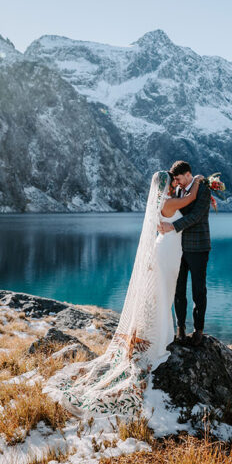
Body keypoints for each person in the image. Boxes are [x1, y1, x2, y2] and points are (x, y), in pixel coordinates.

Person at [42, 169, 203, 418]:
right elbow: (191, 199)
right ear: (165, 186)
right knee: (163, 294)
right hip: (168, 251)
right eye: (171, 183)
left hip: (168, 249)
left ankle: (159, 332)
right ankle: (159, 337)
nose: (173, 185)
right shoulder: (170, 202)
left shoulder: (161, 202)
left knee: (162, 294)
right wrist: (200, 181)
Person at [158, 160, 212, 346]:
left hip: (198, 248)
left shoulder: (203, 189)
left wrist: (172, 226)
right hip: (178, 249)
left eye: (179, 178)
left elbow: (196, 217)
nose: (177, 182)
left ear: (188, 174)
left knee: (199, 290)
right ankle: (180, 328)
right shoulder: (179, 191)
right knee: (178, 290)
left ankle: (198, 330)